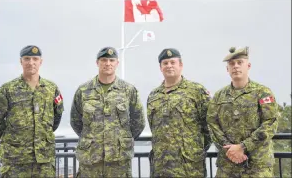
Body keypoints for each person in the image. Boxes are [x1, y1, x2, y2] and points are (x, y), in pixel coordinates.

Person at [70, 46, 145, 178]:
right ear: (97, 63)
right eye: (104, 60)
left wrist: (121, 139)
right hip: (90, 160)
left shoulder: (128, 90)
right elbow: (75, 121)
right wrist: (92, 138)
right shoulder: (83, 91)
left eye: (111, 60)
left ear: (117, 63)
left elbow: (138, 121)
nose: (108, 64)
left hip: (119, 161)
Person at [0, 45, 64, 177]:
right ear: (21, 61)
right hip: (15, 159)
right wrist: (12, 138)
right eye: (27, 58)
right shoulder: (7, 89)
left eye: (35, 59)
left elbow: (57, 114)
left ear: (40, 62)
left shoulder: (51, 89)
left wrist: (43, 135)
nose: (31, 62)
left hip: (44, 159)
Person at [207, 46, 279, 177]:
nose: (235, 66)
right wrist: (230, 148)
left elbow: (270, 123)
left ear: (248, 65)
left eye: (240, 63)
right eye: (231, 64)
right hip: (227, 166)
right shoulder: (219, 96)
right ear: (227, 69)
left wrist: (243, 147)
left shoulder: (262, 92)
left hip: (257, 166)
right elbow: (212, 123)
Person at [147, 48, 211, 177]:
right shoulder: (154, 95)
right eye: (165, 63)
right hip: (161, 167)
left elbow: (208, 126)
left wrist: (193, 150)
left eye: (172, 62)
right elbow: (153, 127)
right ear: (160, 67)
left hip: (189, 167)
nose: (169, 66)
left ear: (180, 65)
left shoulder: (196, 91)